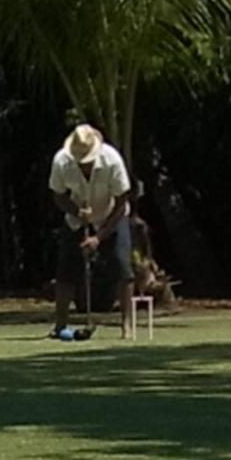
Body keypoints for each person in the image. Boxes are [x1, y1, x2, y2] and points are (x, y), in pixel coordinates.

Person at [49, 124, 134, 339]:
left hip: (112, 215)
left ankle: (127, 325)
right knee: (65, 270)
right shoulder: (62, 160)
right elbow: (58, 195)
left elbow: (122, 202)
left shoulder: (112, 160)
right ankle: (60, 326)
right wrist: (76, 211)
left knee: (122, 266)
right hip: (78, 219)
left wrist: (99, 237)